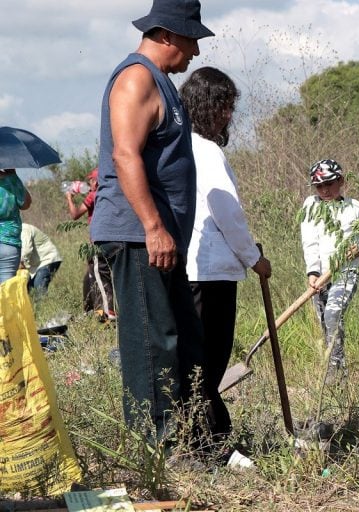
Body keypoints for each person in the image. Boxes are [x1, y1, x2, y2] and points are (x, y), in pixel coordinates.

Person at [89, 0, 214, 445]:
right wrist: (154, 226)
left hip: (158, 238)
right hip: (138, 235)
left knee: (182, 337)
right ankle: (151, 448)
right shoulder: (137, 78)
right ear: (166, 34)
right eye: (191, 40)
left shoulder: (161, 83)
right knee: (152, 342)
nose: (195, 53)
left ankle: (187, 439)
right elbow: (125, 154)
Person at [180, 66, 271, 468]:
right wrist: (255, 258)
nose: (229, 116)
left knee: (199, 364)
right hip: (211, 271)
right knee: (207, 367)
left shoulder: (181, 146)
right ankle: (212, 448)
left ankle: (209, 443)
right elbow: (226, 212)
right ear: (207, 106)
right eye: (224, 107)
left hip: (193, 270)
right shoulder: (206, 151)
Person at [300, 159, 359, 384]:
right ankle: (337, 369)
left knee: (333, 314)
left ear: (341, 181)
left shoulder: (354, 208)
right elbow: (310, 242)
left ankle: (335, 372)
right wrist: (312, 273)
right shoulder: (311, 206)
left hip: (345, 273)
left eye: (329, 183)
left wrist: (358, 248)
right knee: (325, 323)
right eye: (319, 186)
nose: (325, 190)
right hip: (319, 277)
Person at [66, 168, 116, 318]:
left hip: (98, 241)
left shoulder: (93, 195)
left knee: (100, 276)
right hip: (113, 238)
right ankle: (92, 310)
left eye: (91, 180)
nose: (89, 183)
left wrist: (69, 197)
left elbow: (75, 215)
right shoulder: (111, 193)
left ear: (96, 181)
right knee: (93, 275)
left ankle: (107, 313)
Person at [0, 169, 32, 284]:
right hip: (9, 243)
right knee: (6, 290)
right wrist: (14, 175)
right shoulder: (11, 179)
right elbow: (26, 204)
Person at [20, 223, 62, 298]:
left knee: (39, 286)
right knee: (25, 288)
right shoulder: (8, 235)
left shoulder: (23, 229)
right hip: (34, 265)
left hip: (47, 259)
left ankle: (43, 308)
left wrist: (20, 264)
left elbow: (26, 251)